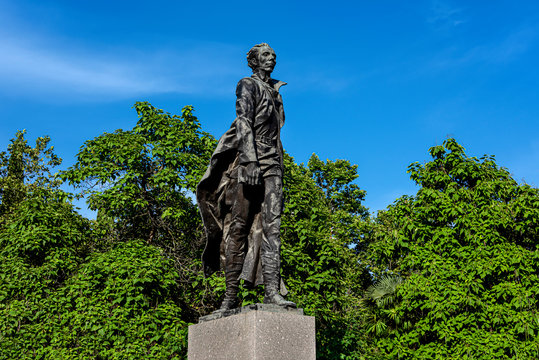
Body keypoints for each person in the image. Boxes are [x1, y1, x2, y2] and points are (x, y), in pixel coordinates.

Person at [197, 43, 296, 311]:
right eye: (266, 55)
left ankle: (272, 292)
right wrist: (250, 159)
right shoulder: (247, 84)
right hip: (248, 162)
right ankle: (230, 297)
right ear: (253, 61)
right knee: (238, 227)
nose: (272, 58)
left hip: (273, 164)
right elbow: (243, 121)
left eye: (274, 55)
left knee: (272, 228)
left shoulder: (275, 92)